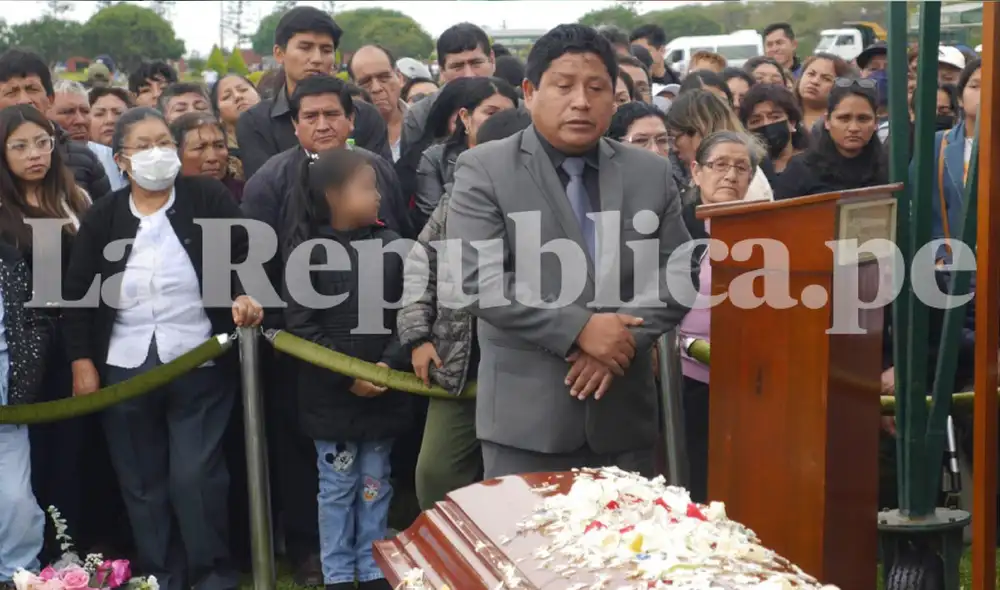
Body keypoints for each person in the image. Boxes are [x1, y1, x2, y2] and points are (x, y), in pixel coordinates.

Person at [446, 24, 695, 478]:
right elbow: (474, 280)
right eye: (564, 86)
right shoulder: (484, 168)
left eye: (596, 87)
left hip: (623, 422)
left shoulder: (650, 173)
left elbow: (677, 272)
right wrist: (579, 329)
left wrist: (618, 343)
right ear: (530, 91)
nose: (581, 100)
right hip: (526, 426)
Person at [62, 107, 263, 590]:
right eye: (144, 145)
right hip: (125, 366)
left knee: (196, 477)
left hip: (198, 357)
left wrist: (245, 293)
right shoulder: (104, 215)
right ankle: (159, 575)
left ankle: (212, 574)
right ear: (121, 160)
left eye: (165, 143)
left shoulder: (207, 196)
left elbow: (246, 255)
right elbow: (77, 294)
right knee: (141, 482)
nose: (158, 154)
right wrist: (82, 361)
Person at [282, 149, 407, 590]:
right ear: (333, 196)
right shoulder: (307, 255)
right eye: (366, 187)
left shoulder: (394, 246)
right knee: (336, 488)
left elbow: (407, 315)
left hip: (383, 390)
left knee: (376, 482)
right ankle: (336, 571)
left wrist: (388, 365)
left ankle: (372, 566)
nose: (377, 196)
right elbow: (301, 327)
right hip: (330, 398)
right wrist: (346, 375)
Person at [399, 108, 532, 511]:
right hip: (459, 364)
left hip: (530, 369)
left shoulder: (552, 206)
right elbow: (421, 264)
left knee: (517, 483)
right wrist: (418, 336)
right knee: (435, 476)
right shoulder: (454, 201)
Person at [0, 104, 90, 554]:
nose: (34, 154)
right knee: (28, 455)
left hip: (74, 342)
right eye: (19, 146)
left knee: (72, 454)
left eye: (42, 143)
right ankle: (32, 554)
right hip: (19, 350)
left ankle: (72, 549)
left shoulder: (75, 200)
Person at [677, 131, 762, 503]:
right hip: (687, 375)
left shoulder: (766, 230)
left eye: (741, 167)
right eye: (720, 165)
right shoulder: (675, 228)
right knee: (694, 476)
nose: (730, 175)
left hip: (749, 378)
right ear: (696, 171)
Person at [237, 6, 391, 180]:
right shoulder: (255, 123)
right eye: (305, 48)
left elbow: (383, 185)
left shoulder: (366, 116)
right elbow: (265, 193)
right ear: (279, 54)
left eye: (326, 50)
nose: (317, 59)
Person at [0, 240, 51, 588]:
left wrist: (23, 384)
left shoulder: (7, 257)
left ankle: (17, 576)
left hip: (8, 401)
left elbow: (34, 322)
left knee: (17, 499)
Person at [0, 49, 111, 199]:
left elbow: (107, 219)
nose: (25, 100)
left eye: (32, 89)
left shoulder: (83, 159)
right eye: (12, 92)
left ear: (50, 99)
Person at [413, 77, 518, 231]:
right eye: (491, 113)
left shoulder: (525, 155)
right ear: (465, 117)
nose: (499, 120)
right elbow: (432, 219)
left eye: (507, 114)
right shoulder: (436, 159)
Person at [773, 80, 886, 200]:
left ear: (876, 123)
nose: (854, 128)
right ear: (827, 121)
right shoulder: (800, 170)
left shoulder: (888, 168)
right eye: (844, 118)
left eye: (863, 119)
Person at [399, 23, 496, 160]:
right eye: (457, 66)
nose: (469, 74)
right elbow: (410, 170)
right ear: (442, 70)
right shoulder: (419, 116)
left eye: (476, 63)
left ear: (492, 60)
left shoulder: (517, 108)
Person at [666, 89, 774, 202]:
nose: (673, 148)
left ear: (699, 130)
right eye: (721, 165)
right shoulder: (703, 173)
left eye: (675, 137)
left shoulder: (745, 182)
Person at [924, 58, 980, 264]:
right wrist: (939, 258)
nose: (986, 92)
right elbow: (922, 209)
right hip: (956, 267)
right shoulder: (939, 144)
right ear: (960, 98)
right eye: (975, 85)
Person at [349, 45, 407, 162]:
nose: (376, 88)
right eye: (365, 82)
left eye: (384, 77)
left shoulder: (424, 123)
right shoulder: (345, 134)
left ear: (399, 78)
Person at [170, 112, 244, 201]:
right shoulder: (163, 201)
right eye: (199, 148)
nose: (212, 158)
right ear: (176, 153)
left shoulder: (245, 195)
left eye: (219, 146)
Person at [739, 83, 809, 174]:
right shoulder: (745, 171)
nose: (766, 123)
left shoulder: (813, 162)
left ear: (792, 122)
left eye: (775, 117)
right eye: (756, 121)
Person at [209, 74, 261, 169]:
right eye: (226, 96)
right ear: (218, 115)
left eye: (243, 90)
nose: (238, 96)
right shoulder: (222, 157)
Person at [794, 53, 853, 132]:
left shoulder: (846, 123)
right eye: (811, 74)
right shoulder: (783, 114)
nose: (815, 81)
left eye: (826, 79)